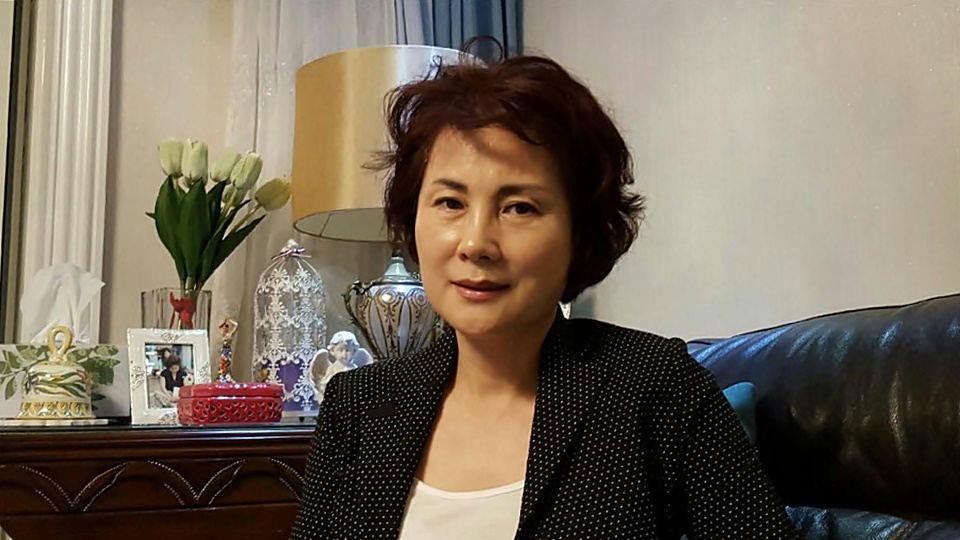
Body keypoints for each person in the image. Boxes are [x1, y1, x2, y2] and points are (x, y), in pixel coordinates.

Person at [289, 53, 799, 540]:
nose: (475, 243)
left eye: (519, 208)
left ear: (579, 233)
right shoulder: (359, 405)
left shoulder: (654, 388)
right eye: (450, 202)